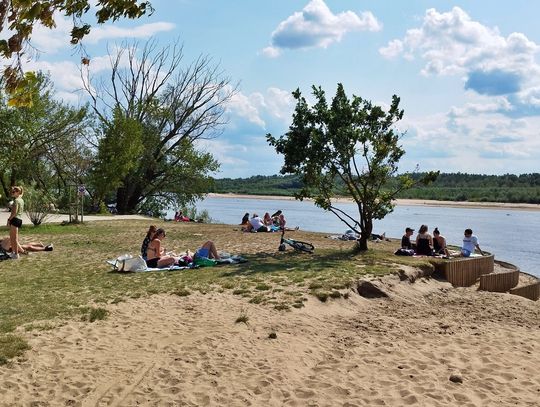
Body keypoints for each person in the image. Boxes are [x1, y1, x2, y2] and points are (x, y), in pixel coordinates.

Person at [7, 186, 24, 259]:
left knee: (14, 238)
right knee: (12, 237)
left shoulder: (16, 200)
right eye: (12, 192)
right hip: (18, 219)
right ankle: (13, 253)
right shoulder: (21, 200)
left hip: (15, 219)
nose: (12, 193)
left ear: (18, 192)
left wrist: (9, 220)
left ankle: (16, 254)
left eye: (13, 192)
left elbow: (14, 213)